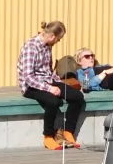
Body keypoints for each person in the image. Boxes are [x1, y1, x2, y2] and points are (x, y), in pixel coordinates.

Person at [18, 21, 84, 150]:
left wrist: (58, 82)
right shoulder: (30, 48)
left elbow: (47, 70)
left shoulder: (47, 46)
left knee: (77, 97)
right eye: (59, 39)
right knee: (53, 102)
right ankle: (48, 136)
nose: (58, 42)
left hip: (47, 80)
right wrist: (49, 88)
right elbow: (28, 77)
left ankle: (68, 131)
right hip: (30, 86)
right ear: (53, 36)